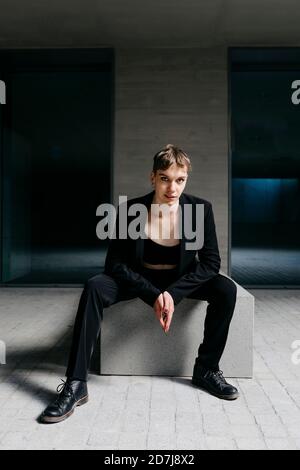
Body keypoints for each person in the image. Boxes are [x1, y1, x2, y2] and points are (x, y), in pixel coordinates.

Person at [39, 144, 238, 424]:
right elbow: (115, 264)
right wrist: (154, 294)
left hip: (180, 280)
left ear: (186, 180)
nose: (173, 188)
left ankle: (206, 369)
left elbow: (210, 263)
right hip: (138, 278)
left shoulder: (199, 210)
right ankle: (76, 384)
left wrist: (172, 293)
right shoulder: (131, 210)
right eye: (165, 178)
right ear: (153, 177)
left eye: (180, 180)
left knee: (225, 289)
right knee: (95, 286)